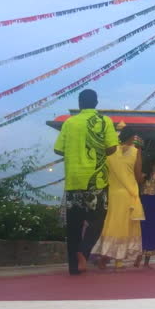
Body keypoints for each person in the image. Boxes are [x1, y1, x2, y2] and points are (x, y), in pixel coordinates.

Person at [54, 89, 119, 275]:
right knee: (98, 219)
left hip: (74, 180)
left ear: (80, 103)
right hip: (96, 180)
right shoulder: (103, 121)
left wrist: (75, 152)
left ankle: (73, 267)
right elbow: (112, 147)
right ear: (96, 103)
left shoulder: (69, 122)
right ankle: (83, 252)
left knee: (74, 224)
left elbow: (58, 149)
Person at [91, 127, 145, 271]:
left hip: (113, 193)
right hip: (129, 195)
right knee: (126, 226)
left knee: (112, 224)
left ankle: (107, 257)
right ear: (133, 137)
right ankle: (116, 261)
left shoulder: (110, 152)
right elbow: (138, 177)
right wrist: (143, 177)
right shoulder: (136, 151)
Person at [134, 152, 155, 269]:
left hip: (142, 202)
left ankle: (138, 256)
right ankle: (146, 262)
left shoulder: (141, 175)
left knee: (142, 229)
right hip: (154, 203)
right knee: (153, 230)